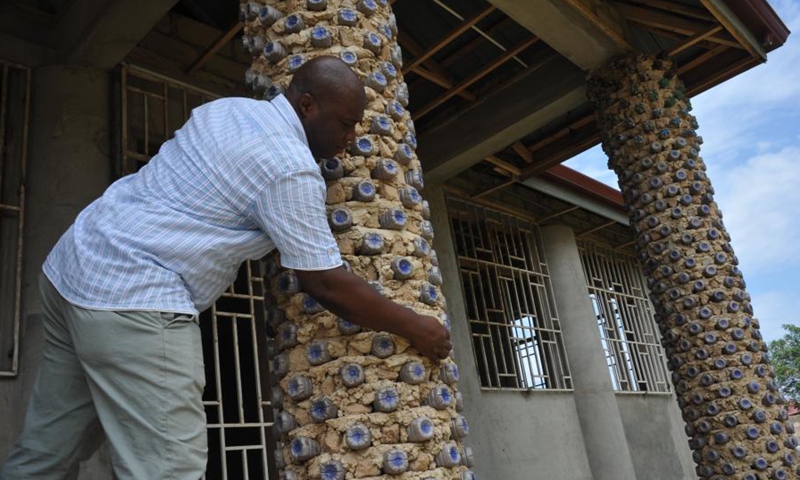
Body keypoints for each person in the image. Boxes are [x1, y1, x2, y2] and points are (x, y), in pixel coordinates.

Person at [1, 56, 451, 479]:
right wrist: (417, 327)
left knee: (45, 454)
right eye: (345, 123)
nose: (351, 138)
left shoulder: (227, 110)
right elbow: (326, 283)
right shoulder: (289, 168)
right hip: (134, 295)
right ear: (307, 105)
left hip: (71, 269)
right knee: (170, 468)